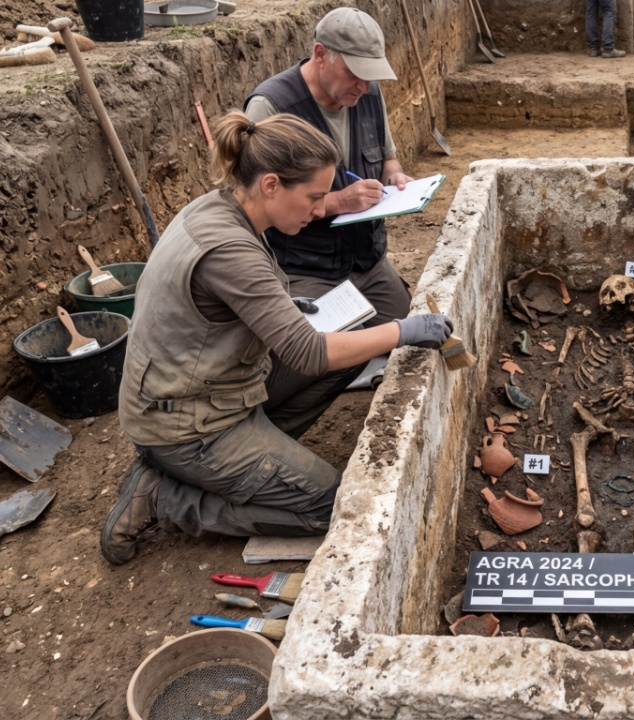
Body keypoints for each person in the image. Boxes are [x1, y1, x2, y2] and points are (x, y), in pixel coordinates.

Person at [99, 111, 453, 565]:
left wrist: (283, 307)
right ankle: (167, 499)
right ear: (270, 185)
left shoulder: (223, 207)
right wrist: (402, 331)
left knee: (349, 346)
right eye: (313, 197)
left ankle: (246, 462)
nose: (319, 209)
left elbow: (246, 302)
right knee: (341, 508)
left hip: (210, 390)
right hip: (185, 426)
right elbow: (306, 353)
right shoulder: (228, 248)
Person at [246, 8, 413, 392]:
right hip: (306, 266)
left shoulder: (368, 95)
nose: (363, 86)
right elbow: (260, 203)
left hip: (366, 259)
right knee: (312, 357)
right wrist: (338, 201)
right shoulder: (273, 108)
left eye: (370, 76)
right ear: (321, 55)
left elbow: (388, 157)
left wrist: (396, 176)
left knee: (405, 329)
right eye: (354, 74)